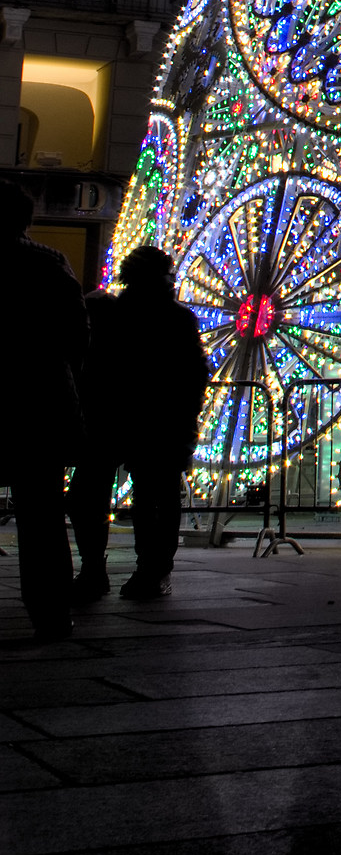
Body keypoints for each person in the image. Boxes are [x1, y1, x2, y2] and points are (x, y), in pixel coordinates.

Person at [66, 242, 208, 603]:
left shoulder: (109, 311)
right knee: (154, 499)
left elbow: (92, 363)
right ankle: (151, 570)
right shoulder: (176, 318)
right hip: (159, 420)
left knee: (94, 492)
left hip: (112, 416)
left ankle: (97, 568)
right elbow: (194, 376)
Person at [0, 178, 88, 640]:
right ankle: (51, 611)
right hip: (40, 402)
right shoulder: (50, 263)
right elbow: (77, 335)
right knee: (43, 517)